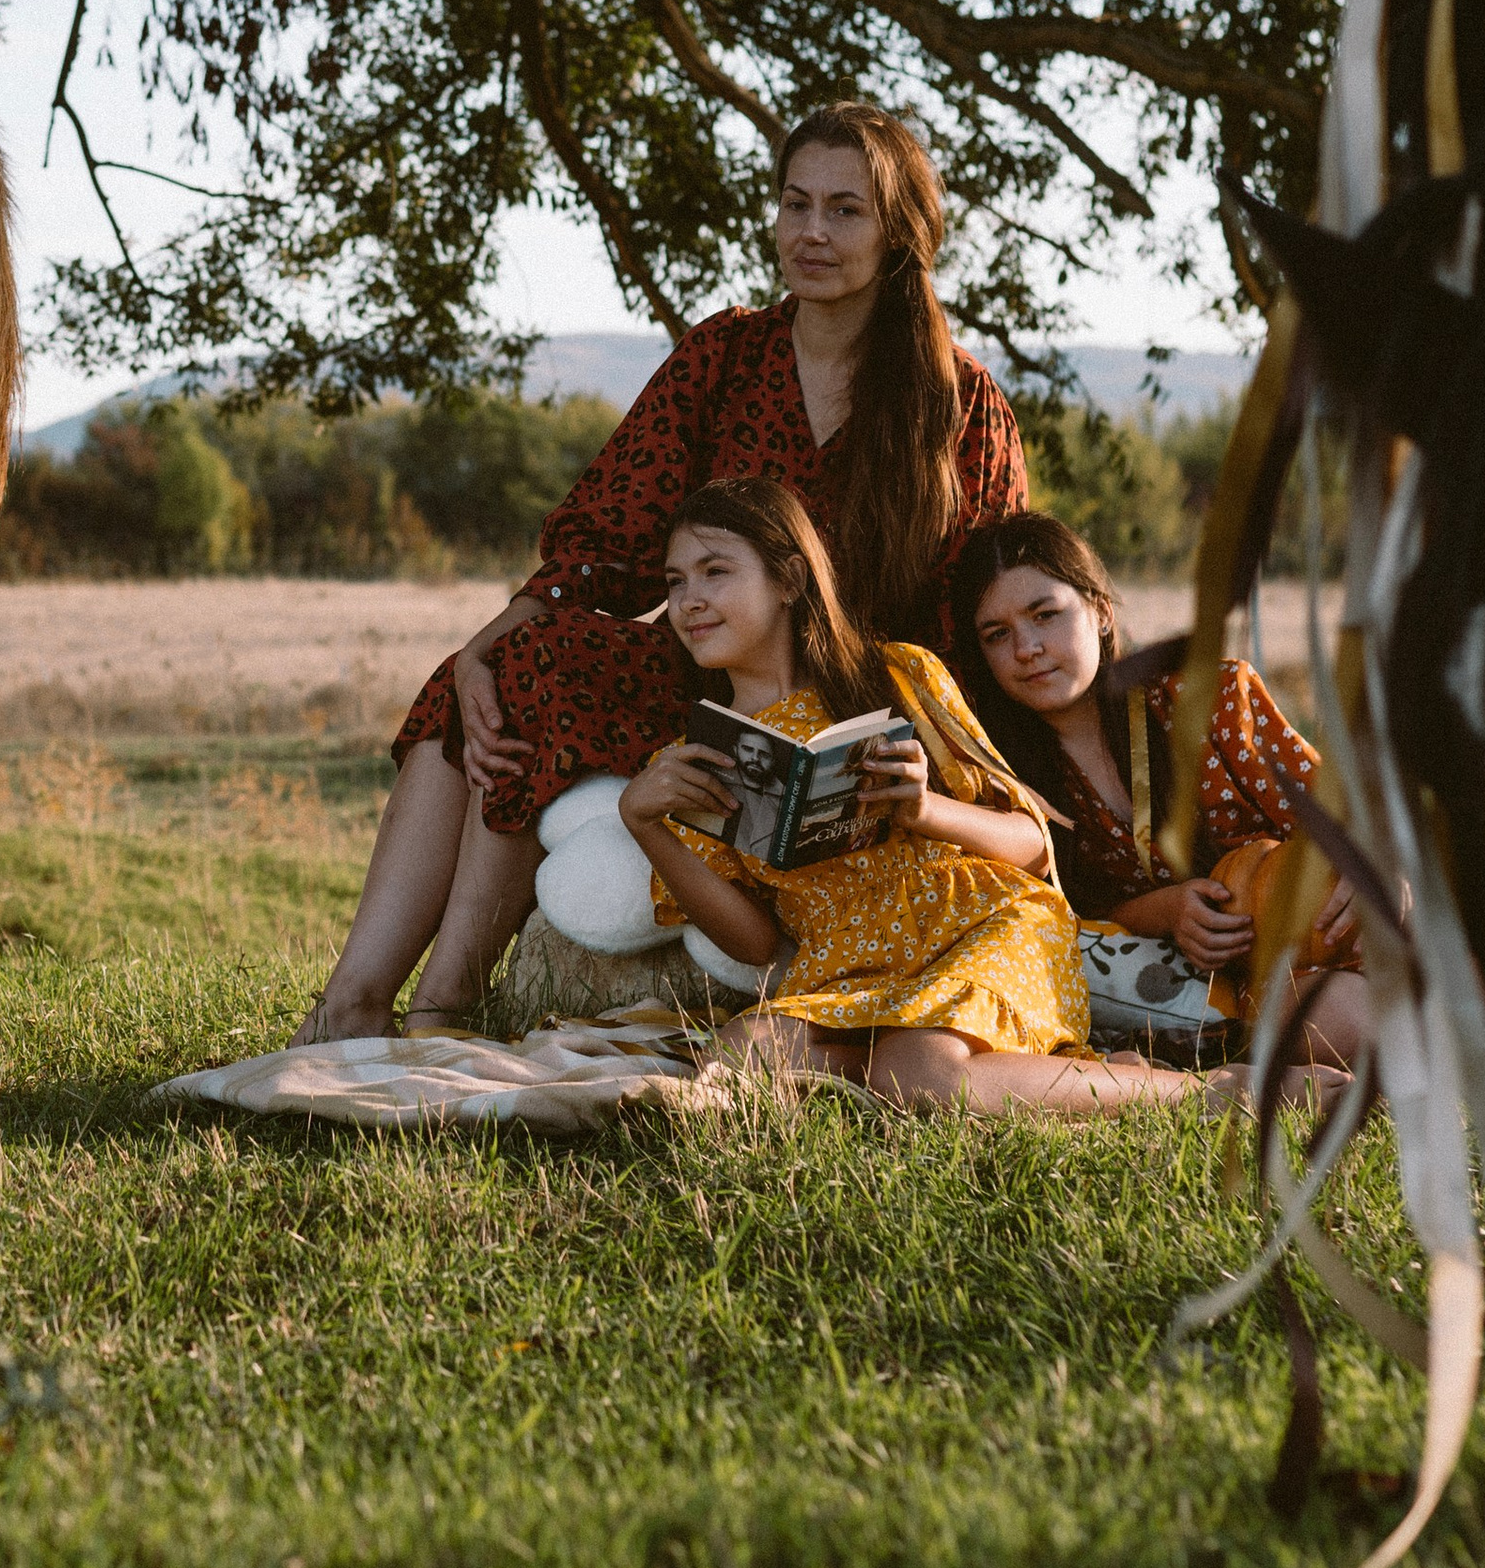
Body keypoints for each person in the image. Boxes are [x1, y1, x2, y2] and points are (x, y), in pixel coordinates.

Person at [295, 101, 1029, 1040]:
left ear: (898, 234)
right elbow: (607, 539)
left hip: (858, 722)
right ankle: (375, 1002)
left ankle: (439, 1007)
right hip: (707, 691)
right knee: (506, 672)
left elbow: (989, 603)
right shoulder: (725, 355)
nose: (811, 231)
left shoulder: (958, 399)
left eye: (845, 211)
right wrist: (480, 650)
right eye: (794, 203)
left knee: (520, 669)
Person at [619, 479, 1204, 1115]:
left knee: (921, 1070)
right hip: (847, 966)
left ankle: (1212, 1093)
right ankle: (1021, 1078)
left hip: (982, 924)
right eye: (676, 582)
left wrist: (927, 810)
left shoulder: (899, 675)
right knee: (737, 1057)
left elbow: (1035, 846)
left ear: (789, 580)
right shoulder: (694, 760)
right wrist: (645, 824)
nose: (689, 601)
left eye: (714, 572)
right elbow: (756, 945)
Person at [951, 512, 1369, 1074]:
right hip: (1226, 996)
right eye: (997, 634)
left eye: (1045, 615)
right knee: (1325, 1020)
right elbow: (1073, 911)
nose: (1027, 647)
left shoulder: (1213, 698)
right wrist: (1168, 910)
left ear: (1099, 612)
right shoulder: (999, 773)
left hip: (1331, 934)